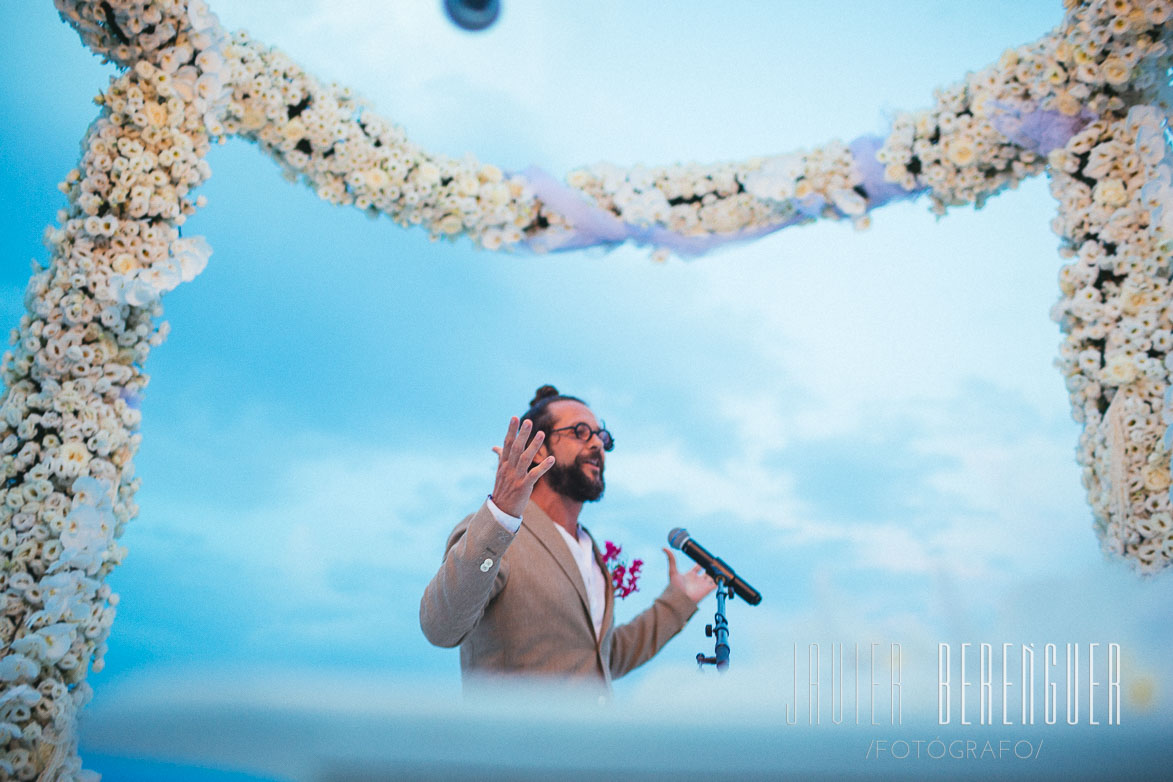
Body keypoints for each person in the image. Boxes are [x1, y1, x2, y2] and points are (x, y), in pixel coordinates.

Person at [419, 385, 716, 691]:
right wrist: (500, 515)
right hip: (514, 739)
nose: (597, 445)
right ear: (539, 449)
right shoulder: (499, 532)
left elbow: (600, 660)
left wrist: (678, 602)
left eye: (602, 437)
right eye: (580, 432)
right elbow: (441, 627)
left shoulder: (589, 549)